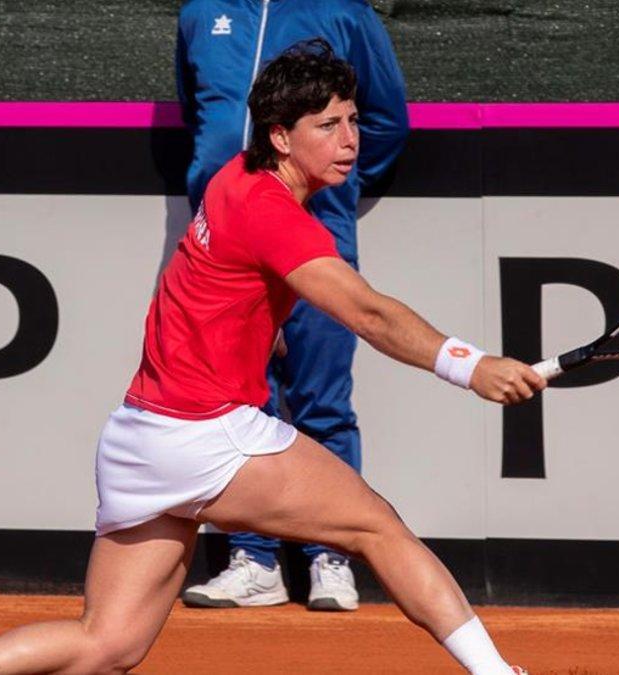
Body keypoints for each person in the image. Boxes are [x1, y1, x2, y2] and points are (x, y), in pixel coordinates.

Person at [0, 40, 538, 675]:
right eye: (327, 125)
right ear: (280, 136)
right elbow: (367, 312)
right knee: (376, 525)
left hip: (138, 438)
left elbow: (239, 299)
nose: (350, 140)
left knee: (107, 644)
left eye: (354, 121)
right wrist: (468, 364)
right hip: (204, 435)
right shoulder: (274, 215)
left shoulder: (233, 178)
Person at [175, 0, 409, 612]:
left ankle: (329, 557)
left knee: (322, 400)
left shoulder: (345, 14)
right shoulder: (202, 12)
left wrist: (335, 188)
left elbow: (386, 121)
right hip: (228, 251)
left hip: (316, 244)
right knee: (241, 401)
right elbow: (197, 113)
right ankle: (253, 559)